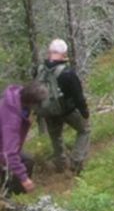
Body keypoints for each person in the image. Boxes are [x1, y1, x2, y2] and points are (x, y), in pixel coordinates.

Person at [37, 38, 90, 175]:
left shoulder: (40, 70)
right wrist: (84, 112)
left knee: (56, 137)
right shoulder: (67, 73)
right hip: (67, 110)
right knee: (84, 130)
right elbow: (78, 96)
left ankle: (60, 164)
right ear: (64, 54)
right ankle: (76, 160)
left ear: (50, 52)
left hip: (47, 111)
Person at [0, 81, 48, 196]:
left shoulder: (18, 95)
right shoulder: (11, 119)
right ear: (31, 102)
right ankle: (12, 197)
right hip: (4, 148)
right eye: (38, 104)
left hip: (4, 143)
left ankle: (12, 192)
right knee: (18, 163)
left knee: (27, 160)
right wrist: (24, 179)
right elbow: (9, 153)